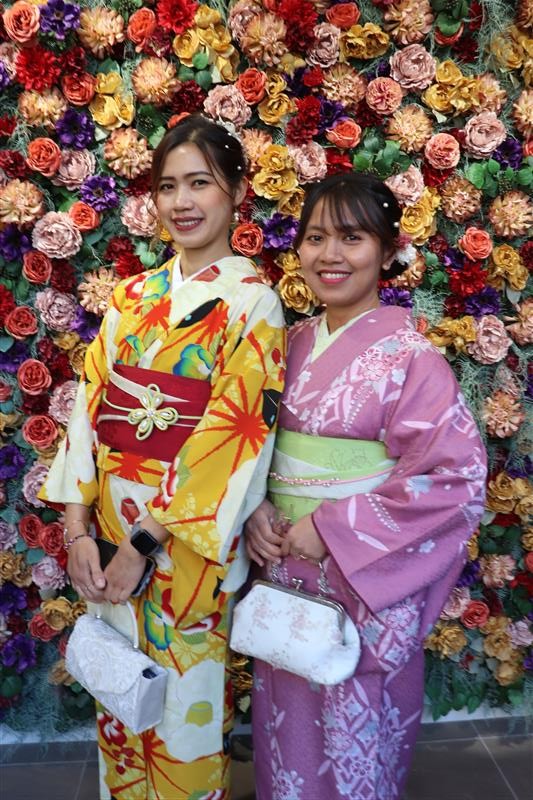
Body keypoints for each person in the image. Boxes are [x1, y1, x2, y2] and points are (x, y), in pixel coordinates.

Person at [39, 113, 286, 800]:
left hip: (184, 548)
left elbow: (232, 438)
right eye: (168, 186)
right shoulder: (130, 298)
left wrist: (143, 542)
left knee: (183, 714)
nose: (182, 202)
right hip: (109, 531)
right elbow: (89, 413)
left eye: (200, 183)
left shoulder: (255, 305)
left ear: (237, 191)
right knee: (120, 696)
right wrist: (77, 531)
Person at [245, 172, 487, 800]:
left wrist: (331, 527)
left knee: (355, 731)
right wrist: (256, 507)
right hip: (284, 573)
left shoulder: (413, 358)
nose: (330, 254)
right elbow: (249, 446)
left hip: (360, 580)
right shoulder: (287, 343)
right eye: (316, 237)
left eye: (352, 238)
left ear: (386, 251)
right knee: (285, 730)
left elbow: (454, 478)